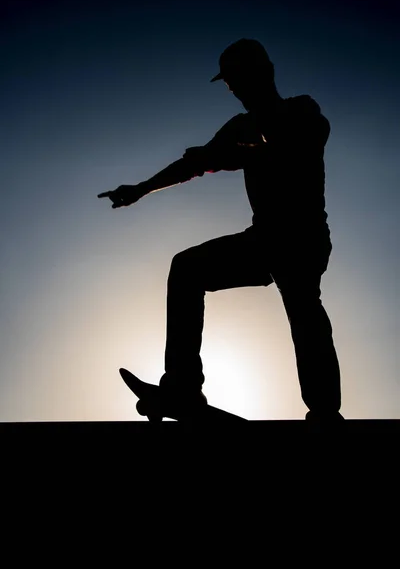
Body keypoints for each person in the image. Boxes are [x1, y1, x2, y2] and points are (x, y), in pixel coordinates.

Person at [98, 38, 344, 422]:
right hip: (262, 239)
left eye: (237, 81)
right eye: (230, 85)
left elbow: (296, 147)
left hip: (302, 237)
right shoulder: (239, 126)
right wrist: (140, 189)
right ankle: (181, 387)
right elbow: (195, 164)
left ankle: (325, 409)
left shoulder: (300, 110)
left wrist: (233, 155)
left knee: (302, 303)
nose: (234, 91)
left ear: (263, 73)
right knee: (187, 268)